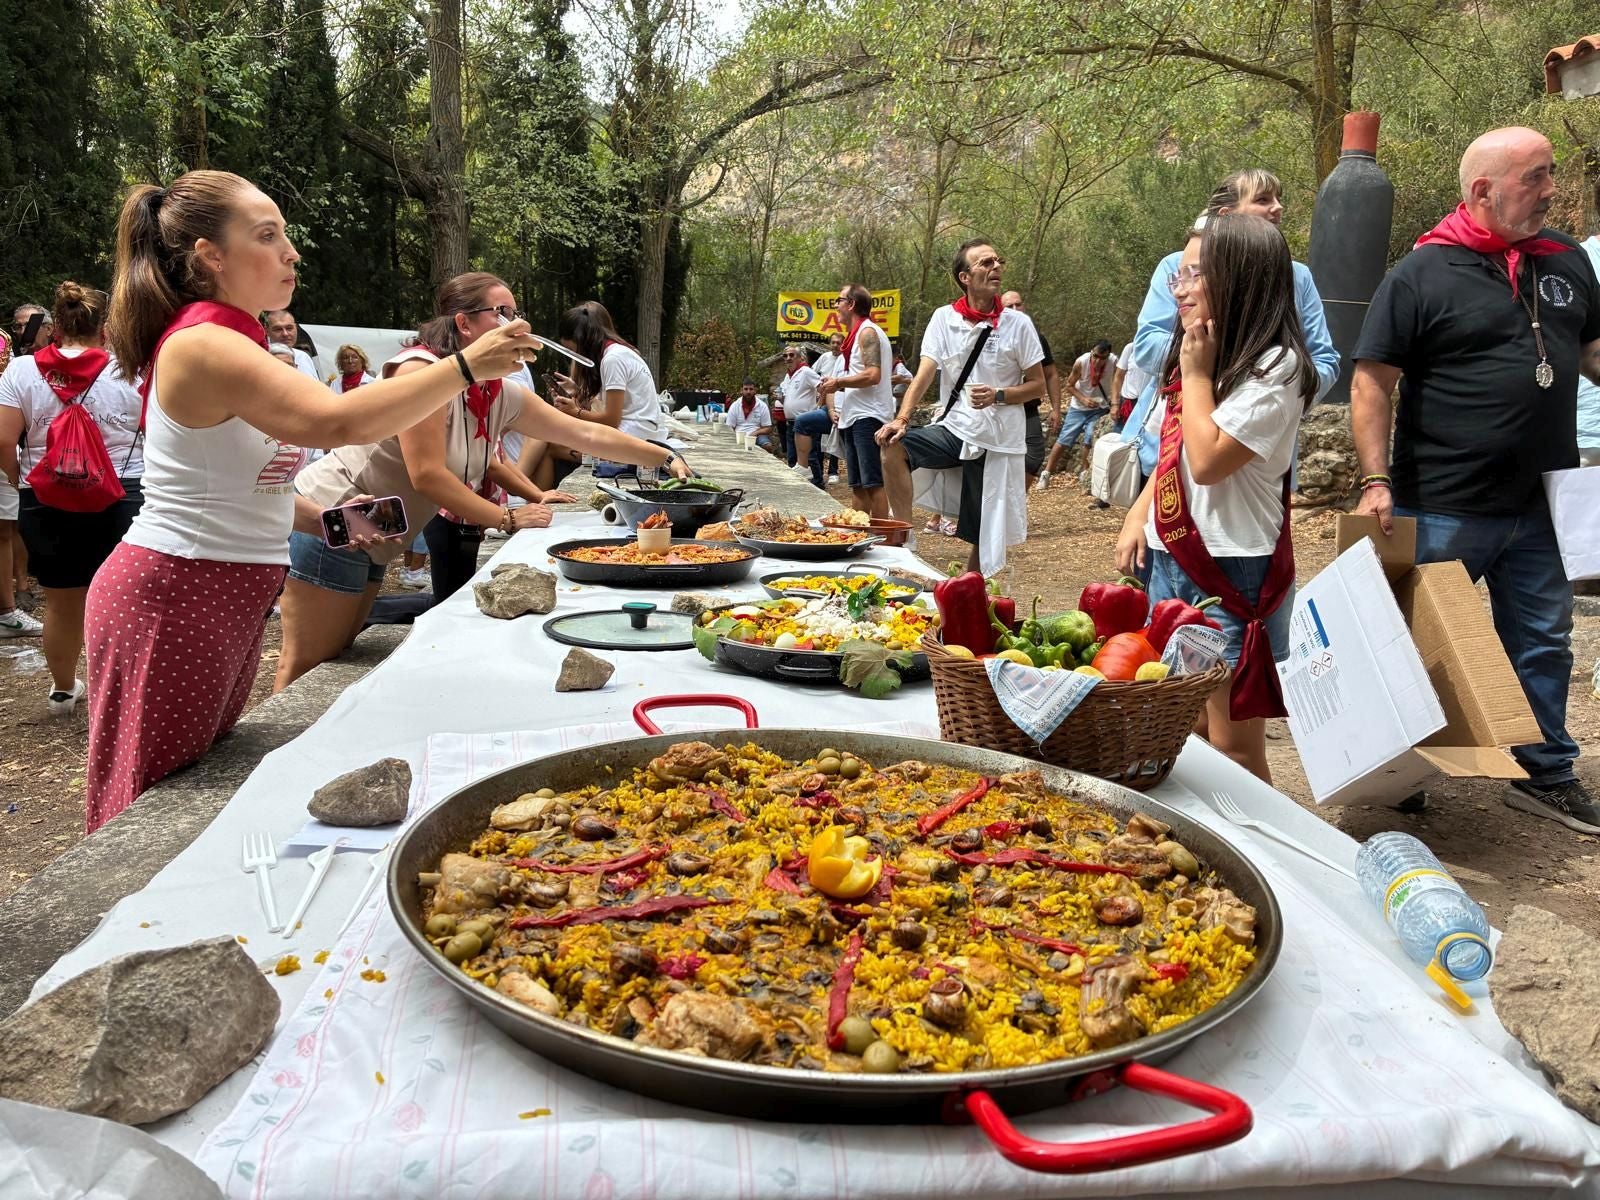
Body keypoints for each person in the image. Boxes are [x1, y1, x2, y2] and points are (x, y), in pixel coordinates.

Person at [83, 169, 541, 832]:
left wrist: (338, 522)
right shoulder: (202, 342)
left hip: (220, 591)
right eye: (268, 236)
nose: (291, 252)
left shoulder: (235, 341)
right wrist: (465, 366)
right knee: (148, 809)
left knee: (189, 784)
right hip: (177, 593)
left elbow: (249, 488)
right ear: (211, 256)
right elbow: (336, 422)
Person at [1351, 126, 1600, 832]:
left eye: (1551, 173)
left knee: (1545, 640)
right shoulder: (1421, 274)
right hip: (1443, 504)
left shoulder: (1567, 260)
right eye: (1535, 176)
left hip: (1543, 504)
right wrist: (1375, 480)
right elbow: (1371, 384)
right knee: (1419, 644)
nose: (1551, 190)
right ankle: (1399, 775)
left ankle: (1543, 772)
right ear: (1484, 190)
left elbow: (1591, 351)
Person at [286, 274, 644, 689]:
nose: (518, 324)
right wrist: (506, 518)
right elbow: (427, 474)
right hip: (333, 514)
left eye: (517, 313)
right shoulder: (420, 370)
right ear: (464, 323)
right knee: (306, 669)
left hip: (376, 528)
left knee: (338, 655)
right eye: (502, 313)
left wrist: (665, 457)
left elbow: (585, 433)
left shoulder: (489, 390)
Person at [1115, 214, 1317, 784]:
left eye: (1195, 275)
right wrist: (1138, 514)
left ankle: (1257, 837)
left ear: (1241, 280)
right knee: (1188, 726)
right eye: (1178, 274)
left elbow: (1205, 461)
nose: (1179, 289)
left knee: (1234, 746)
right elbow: (1175, 452)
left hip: (1232, 570)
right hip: (1172, 559)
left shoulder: (1275, 367)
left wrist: (1195, 374)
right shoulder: (1207, 353)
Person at [1121, 169, 1340, 503]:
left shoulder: (1298, 277)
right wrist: (1211, 365)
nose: (1278, 207)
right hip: (1171, 446)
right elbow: (1148, 346)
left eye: (1278, 199)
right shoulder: (1176, 265)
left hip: (1255, 456)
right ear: (1225, 216)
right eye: (1263, 200)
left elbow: (1323, 362)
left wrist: (1268, 397)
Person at [0, 282, 143, 713]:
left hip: (45, 497)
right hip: (122, 494)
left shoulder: (21, 371)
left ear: (56, 326)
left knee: (62, 603)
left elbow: (4, 441)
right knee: (123, 602)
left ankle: (63, 690)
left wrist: (19, 481)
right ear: (108, 327)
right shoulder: (134, 368)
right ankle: (120, 695)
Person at [881, 239, 1045, 574]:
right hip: (955, 428)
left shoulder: (1018, 324)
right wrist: (902, 419)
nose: (995, 267)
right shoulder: (944, 318)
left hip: (997, 440)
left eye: (997, 261)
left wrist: (998, 395)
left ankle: (971, 589)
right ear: (965, 277)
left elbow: (1037, 385)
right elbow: (925, 372)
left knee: (983, 530)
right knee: (892, 446)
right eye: (985, 262)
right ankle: (904, 542)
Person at [817, 283, 893, 516]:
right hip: (854, 416)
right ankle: (858, 531)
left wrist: (838, 383)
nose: (836, 306)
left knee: (873, 483)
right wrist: (835, 381)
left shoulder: (868, 332)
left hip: (868, 417)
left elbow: (873, 375)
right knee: (858, 485)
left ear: (851, 304)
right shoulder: (855, 336)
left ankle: (880, 535)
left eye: (839, 300)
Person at [1000, 290, 1062, 487]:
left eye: (1018, 304)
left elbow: (1050, 374)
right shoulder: (992, 335)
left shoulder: (1036, 338)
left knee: (1033, 456)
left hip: (1027, 407)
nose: (1015, 309)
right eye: (1009, 306)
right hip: (999, 405)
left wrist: (1056, 409)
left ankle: (1017, 498)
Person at [1035, 339, 1114, 489]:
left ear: (1108, 356)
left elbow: (1118, 379)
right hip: (1078, 407)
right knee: (1065, 438)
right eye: (1095, 356)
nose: (1098, 361)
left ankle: (1085, 472)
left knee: (1090, 437)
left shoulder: (1113, 362)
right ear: (1091, 352)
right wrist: (1083, 399)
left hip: (1099, 407)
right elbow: (1069, 386)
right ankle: (1046, 473)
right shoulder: (1081, 362)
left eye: (1103, 358)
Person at [792, 340, 842, 487]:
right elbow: (829, 387)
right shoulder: (826, 358)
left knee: (829, 443)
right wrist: (829, 409)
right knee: (804, 426)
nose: (835, 345)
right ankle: (805, 468)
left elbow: (824, 386)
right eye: (833, 342)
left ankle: (832, 472)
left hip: (848, 410)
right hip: (829, 407)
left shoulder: (851, 360)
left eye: (839, 343)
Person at [778, 345, 822, 472]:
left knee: (810, 456)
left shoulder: (806, 372)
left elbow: (823, 388)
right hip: (791, 423)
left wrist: (820, 406)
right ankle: (795, 483)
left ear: (799, 357)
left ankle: (817, 481)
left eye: (791, 355)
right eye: (785, 356)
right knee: (792, 458)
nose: (788, 358)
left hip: (806, 423)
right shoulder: (788, 376)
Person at [263, 308, 322, 380]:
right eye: (278, 329)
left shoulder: (304, 357)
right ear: (267, 331)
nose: (285, 334)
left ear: (296, 328)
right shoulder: (260, 358)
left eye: (289, 328)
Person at [1112, 337, 1150, 433]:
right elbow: (1118, 376)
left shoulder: (1163, 350)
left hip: (1148, 404)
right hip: (1128, 402)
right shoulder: (1131, 348)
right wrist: (1115, 404)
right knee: (1119, 435)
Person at [729, 378, 774, 449]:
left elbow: (768, 428)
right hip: (738, 435)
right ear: (741, 390)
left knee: (768, 446)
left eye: (751, 389)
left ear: (755, 390)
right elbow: (729, 427)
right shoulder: (735, 405)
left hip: (757, 435)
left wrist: (755, 433)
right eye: (746, 389)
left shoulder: (762, 406)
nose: (748, 392)